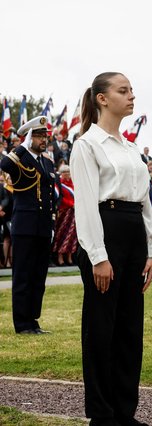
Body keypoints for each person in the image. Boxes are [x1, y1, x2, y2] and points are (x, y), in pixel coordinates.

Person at [70, 71, 152, 426]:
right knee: (101, 328)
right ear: (102, 99)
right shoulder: (87, 144)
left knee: (129, 330)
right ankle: (102, 415)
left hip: (133, 232)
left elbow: (144, 202)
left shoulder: (131, 148)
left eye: (132, 90)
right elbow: (86, 204)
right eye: (123, 91)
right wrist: (98, 256)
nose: (131, 96)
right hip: (105, 232)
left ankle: (125, 412)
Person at [0, 116, 57, 334]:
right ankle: (21, 323)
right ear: (30, 137)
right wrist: (21, 147)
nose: (44, 140)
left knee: (38, 276)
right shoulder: (20, 159)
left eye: (46, 136)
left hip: (42, 226)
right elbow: (4, 165)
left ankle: (33, 320)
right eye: (40, 136)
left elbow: (51, 195)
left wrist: (51, 223)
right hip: (24, 225)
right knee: (23, 275)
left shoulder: (47, 162)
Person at [53, 165, 78, 266]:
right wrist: (71, 204)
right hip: (64, 212)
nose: (67, 174)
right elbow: (60, 197)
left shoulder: (73, 183)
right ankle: (60, 258)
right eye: (65, 172)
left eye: (68, 172)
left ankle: (69, 258)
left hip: (73, 213)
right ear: (61, 174)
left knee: (71, 237)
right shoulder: (60, 184)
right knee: (61, 235)